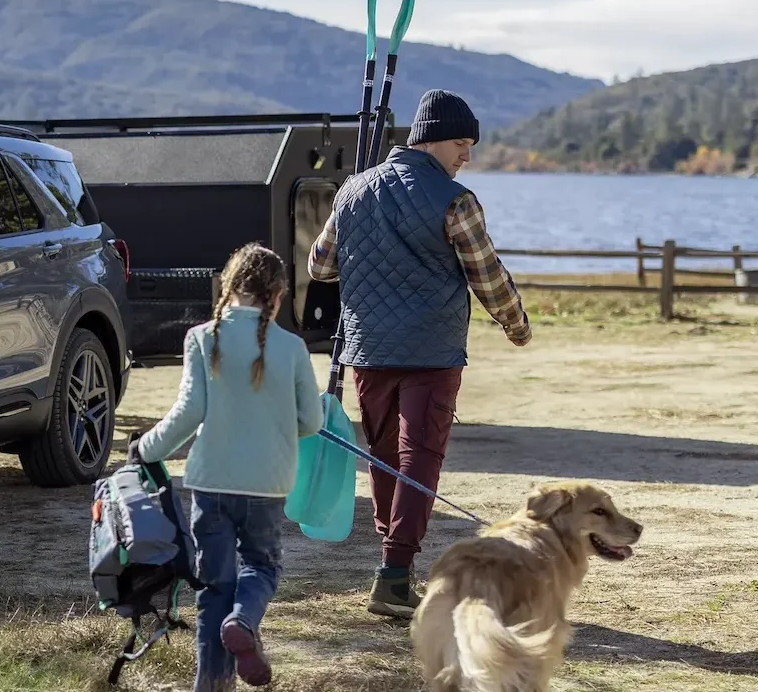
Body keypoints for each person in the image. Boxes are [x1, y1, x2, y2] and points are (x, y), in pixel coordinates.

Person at [306, 88, 533, 620]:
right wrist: (516, 325)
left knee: (386, 457)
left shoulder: (351, 191)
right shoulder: (455, 200)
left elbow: (320, 265)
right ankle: (394, 575)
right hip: (431, 351)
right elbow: (488, 276)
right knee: (420, 458)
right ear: (430, 139)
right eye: (461, 142)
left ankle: (393, 568)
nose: (467, 155)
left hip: (368, 348)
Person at [128, 243, 323, 690]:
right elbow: (311, 421)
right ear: (276, 294)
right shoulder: (292, 347)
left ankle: (211, 684)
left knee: (213, 588)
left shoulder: (201, 337)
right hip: (267, 484)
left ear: (229, 287)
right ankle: (245, 621)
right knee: (262, 566)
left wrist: (146, 449)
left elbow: (187, 413)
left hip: (211, 484)